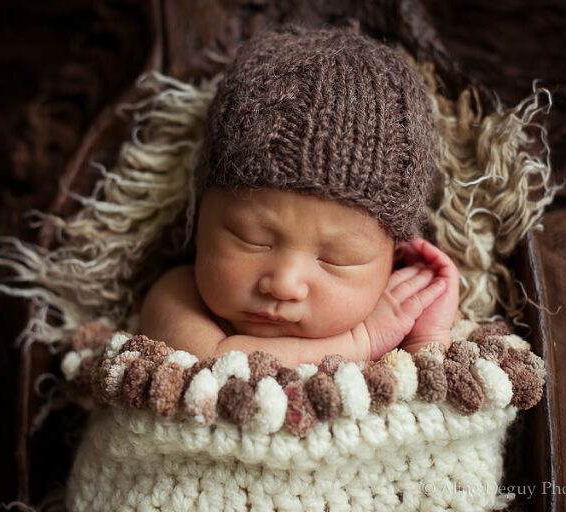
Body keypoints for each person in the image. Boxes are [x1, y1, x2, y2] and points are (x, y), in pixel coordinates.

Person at [139, 25, 459, 367]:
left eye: (337, 259)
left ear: (395, 260)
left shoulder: (392, 312)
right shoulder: (178, 296)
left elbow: (429, 388)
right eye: (252, 239)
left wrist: (427, 333)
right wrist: (362, 341)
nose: (284, 284)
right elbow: (216, 364)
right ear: (199, 217)